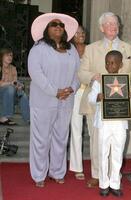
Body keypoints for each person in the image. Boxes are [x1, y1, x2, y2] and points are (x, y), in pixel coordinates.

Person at [78, 12, 131, 188]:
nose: (113, 26)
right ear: (101, 28)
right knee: (98, 141)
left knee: (118, 141)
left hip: (120, 105)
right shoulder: (91, 49)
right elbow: (81, 73)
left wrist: (123, 82)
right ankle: (98, 175)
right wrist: (94, 77)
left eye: (116, 23)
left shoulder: (129, 49)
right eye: (109, 24)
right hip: (97, 101)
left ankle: (114, 176)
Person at [28, 13, 79, 187]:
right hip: (43, 102)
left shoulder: (72, 49)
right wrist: (54, 92)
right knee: (41, 139)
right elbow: (35, 73)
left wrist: (72, 88)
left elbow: (77, 73)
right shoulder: (38, 48)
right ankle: (39, 175)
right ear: (46, 29)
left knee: (61, 138)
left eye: (61, 25)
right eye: (54, 24)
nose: (58, 27)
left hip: (66, 101)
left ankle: (57, 172)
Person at [88, 50, 128, 197]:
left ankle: (115, 183)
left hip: (120, 121)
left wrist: (127, 98)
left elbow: (127, 101)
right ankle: (104, 184)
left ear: (120, 64)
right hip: (104, 121)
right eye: (107, 62)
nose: (109, 65)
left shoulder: (124, 80)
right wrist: (98, 97)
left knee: (118, 153)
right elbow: (90, 99)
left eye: (113, 62)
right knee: (103, 153)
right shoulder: (100, 80)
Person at [69, 25, 87, 180]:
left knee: (96, 129)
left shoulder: (91, 49)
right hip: (75, 93)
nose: (80, 35)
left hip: (91, 93)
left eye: (82, 32)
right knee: (76, 129)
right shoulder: (68, 51)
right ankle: (77, 167)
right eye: (77, 33)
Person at [0, 47, 30, 125]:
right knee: (10, 88)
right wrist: (11, 83)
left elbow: (15, 82)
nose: (10, 57)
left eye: (11, 55)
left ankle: (29, 119)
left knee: (23, 95)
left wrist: (18, 86)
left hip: (11, 94)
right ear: (2, 56)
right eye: (7, 55)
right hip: (2, 93)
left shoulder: (13, 68)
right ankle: (5, 117)